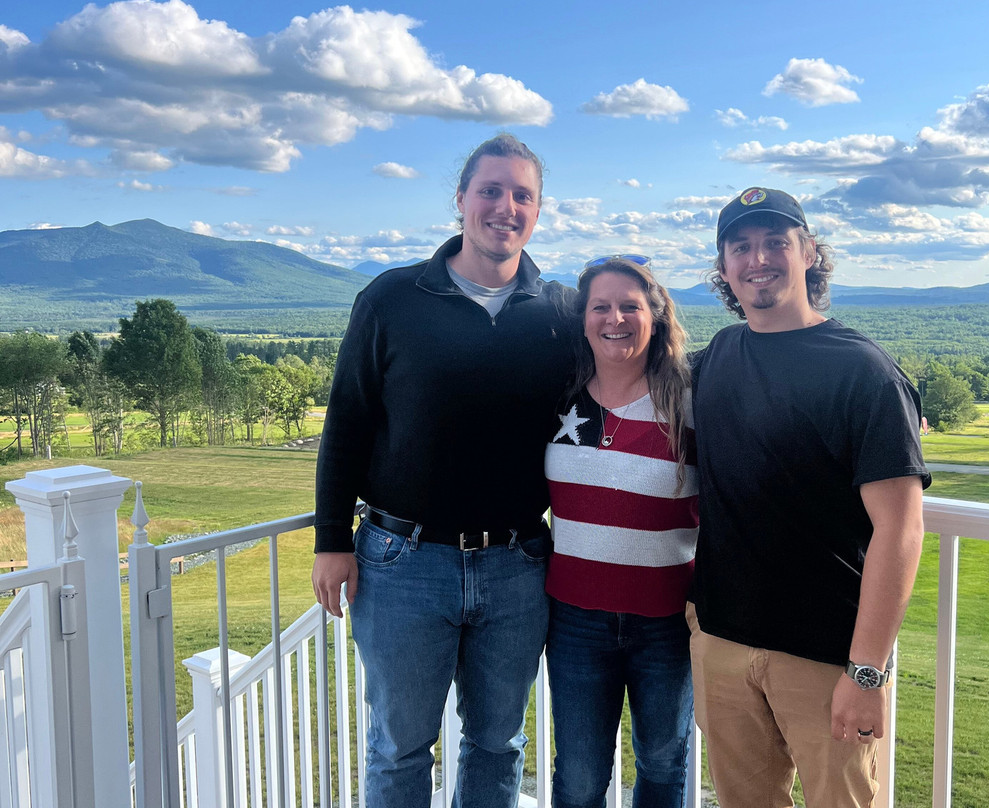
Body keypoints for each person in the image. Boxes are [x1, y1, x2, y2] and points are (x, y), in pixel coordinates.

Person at [311, 133, 575, 808]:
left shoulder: (562, 312)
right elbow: (347, 422)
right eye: (490, 190)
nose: (505, 207)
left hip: (517, 564)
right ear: (460, 199)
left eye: (522, 195)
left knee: (498, 743)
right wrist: (331, 540)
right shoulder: (393, 298)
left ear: (538, 210)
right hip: (403, 561)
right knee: (399, 748)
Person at [690, 187, 931, 807]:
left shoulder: (863, 372)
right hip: (723, 644)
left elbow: (901, 530)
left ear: (809, 253)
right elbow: (627, 366)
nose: (758, 259)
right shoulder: (717, 357)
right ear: (723, 267)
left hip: (826, 658)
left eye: (776, 242)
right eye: (741, 247)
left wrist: (867, 671)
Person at [544, 255, 698, 808]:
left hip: (666, 623)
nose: (615, 319)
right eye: (601, 307)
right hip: (575, 621)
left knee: (662, 765)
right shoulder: (558, 398)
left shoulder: (689, 404)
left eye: (630, 306)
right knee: (580, 776)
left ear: (655, 317)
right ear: (583, 320)